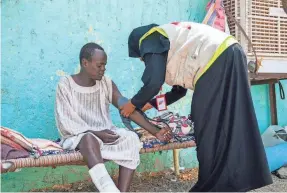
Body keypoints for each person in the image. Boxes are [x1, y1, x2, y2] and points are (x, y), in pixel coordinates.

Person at [120, 22, 273, 192]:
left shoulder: (151, 38)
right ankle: (233, 181)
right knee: (230, 121)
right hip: (231, 52)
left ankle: (211, 185)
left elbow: (153, 82)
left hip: (217, 59)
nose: (145, 60)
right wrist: (150, 104)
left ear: (141, 46)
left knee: (205, 125)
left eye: (143, 57)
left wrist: (133, 104)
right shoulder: (174, 44)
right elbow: (178, 93)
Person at [55, 43, 172, 192]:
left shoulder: (106, 83)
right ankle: (108, 189)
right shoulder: (66, 85)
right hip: (77, 137)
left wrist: (155, 131)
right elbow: (66, 121)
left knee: (131, 138)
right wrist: (96, 133)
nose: (103, 69)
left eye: (105, 65)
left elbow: (126, 107)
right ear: (85, 63)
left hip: (105, 134)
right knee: (89, 138)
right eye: (99, 65)